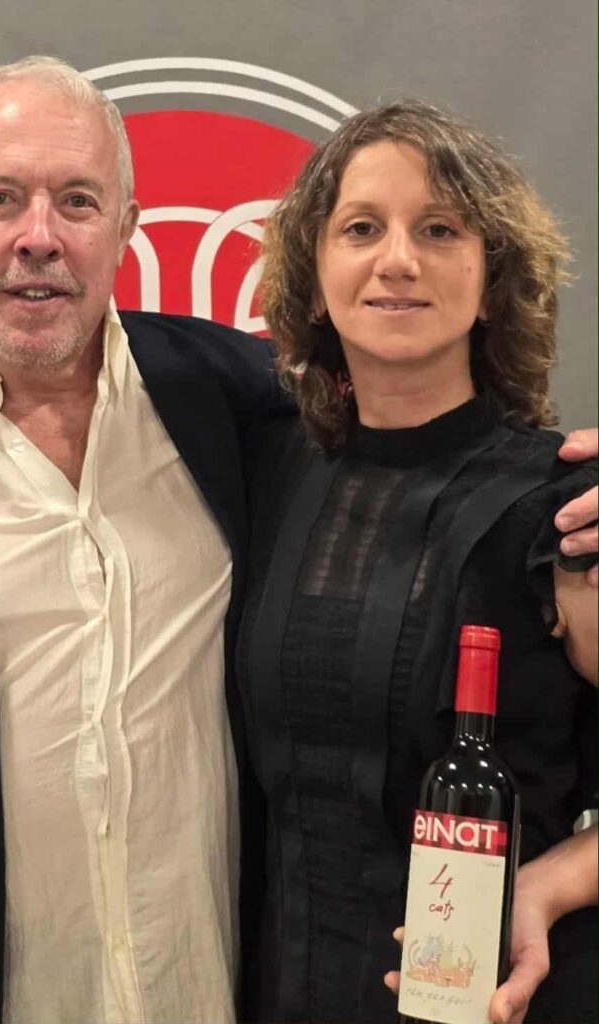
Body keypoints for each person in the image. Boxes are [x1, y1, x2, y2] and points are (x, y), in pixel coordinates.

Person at [0, 61, 594, 1024]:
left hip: (259, 992)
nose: (39, 237)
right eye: (0, 199)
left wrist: (552, 884)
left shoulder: (232, 405)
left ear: (127, 226)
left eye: (78, 201)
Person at [237, 100, 598, 1024]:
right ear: (314, 279)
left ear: (493, 280)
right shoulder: (269, 471)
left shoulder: (567, 511)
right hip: (285, 989)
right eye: (362, 228)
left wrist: (553, 883)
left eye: (439, 230)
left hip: (496, 999)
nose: (397, 260)